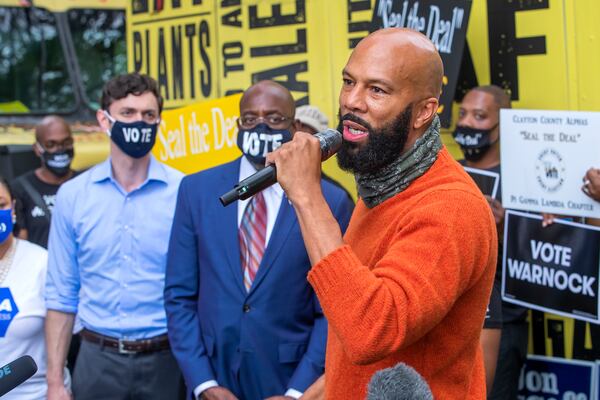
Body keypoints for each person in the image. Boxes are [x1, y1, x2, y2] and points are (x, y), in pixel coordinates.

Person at [266, 28, 497, 399]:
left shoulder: (451, 208)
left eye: (377, 90)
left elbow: (370, 331)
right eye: (348, 81)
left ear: (424, 111)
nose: (352, 102)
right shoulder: (383, 185)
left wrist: (307, 195)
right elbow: (356, 345)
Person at [164, 80, 354, 400]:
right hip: (214, 374)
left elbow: (333, 310)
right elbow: (179, 295)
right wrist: (203, 383)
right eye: (250, 119)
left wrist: (298, 392)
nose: (261, 126)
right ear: (238, 125)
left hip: (288, 379)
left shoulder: (331, 201)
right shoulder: (196, 190)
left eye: (274, 118)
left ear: (294, 127)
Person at [44, 73, 184, 400]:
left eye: (149, 115)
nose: (140, 122)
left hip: (167, 360)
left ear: (159, 121)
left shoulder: (183, 191)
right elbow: (61, 294)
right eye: (128, 113)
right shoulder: (73, 196)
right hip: (96, 359)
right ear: (104, 120)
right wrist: (54, 382)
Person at [453, 85, 525, 398]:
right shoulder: (447, 171)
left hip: (504, 320)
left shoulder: (524, 179)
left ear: (502, 124)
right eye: (463, 114)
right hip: (449, 317)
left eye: (480, 116)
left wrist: (505, 226)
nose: (467, 122)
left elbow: (545, 254)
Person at [0, 176, 70, 399]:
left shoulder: (42, 263)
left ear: (13, 207)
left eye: (0, 204)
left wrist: (56, 385)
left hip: (35, 394)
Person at [12, 116, 76, 248]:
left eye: (66, 142)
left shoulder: (88, 183)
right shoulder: (20, 189)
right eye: (51, 145)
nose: (60, 149)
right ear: (37, 148)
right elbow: (20, 246)